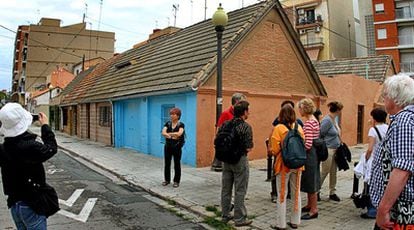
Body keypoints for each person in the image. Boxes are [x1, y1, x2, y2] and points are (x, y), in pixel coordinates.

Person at [0, 103, 58, 229]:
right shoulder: (29, 146)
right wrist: (45, 127)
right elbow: (51, 149)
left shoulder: (4, 148)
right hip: (31, 204)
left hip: (15, 204)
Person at [369, 74, 414, 230]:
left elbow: (402, 169)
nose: (383, 98)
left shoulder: (403, 121)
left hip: (401, 211)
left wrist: (383, 209)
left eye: (385, 95)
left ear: (396, 98)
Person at [270, 104, 305, 230]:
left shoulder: (278, 128)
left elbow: (274, 150)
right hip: (298, 164)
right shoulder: (299, 127)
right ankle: (295, 221)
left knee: (282, 194)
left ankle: (281, 224)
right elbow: (304, 145)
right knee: (296, 193)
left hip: (283, 165)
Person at [220, 101, 253, 227]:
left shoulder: (225, 124)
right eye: (248, 110)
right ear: (244, 112)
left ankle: (225, 214)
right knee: (240, 190)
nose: (249, 112)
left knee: (225, 188)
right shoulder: (246, 127)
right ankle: (239, 219)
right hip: (239, 160)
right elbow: (249, 147)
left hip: (225, 160)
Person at [267, 100, 302, 202]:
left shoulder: (280, 126)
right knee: (296, 193)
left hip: (283, 159)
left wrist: (272, 148)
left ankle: (281, 195)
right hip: (297, 159)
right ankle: (276, 193)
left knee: (281, 190)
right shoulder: (298, 125)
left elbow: (274, 144)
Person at [359, 108, 388, 220]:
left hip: (375, 159)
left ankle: (372, 210)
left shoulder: (373, 130)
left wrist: (366, 159)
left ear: (374, 118)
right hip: (385, 160)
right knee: (382, 184)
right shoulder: (388, 127)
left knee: (371, 184)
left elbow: (370, 148)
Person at [212, 93, 247, 171]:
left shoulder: (241, 114)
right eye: (243, 102)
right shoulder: (226, 113)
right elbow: (219, 129)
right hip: (228, 148)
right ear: (237, 102)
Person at [298, 98, 320, 220]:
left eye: (300, 108)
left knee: (311, 181)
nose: (299, 111)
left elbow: (308, 144)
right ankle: (310, 204)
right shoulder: (314, 120)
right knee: (311, 179)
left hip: (310, 155)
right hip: (315, 154)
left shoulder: (308, 123)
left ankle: (314, 209)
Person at [319, 101, 343, 202]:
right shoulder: (327, 120)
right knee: (324, 171)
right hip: (328, 149)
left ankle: (332, 192)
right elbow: (321, 133)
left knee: (333, 172)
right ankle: (316, 191)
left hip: (336, 149)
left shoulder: (334, 119)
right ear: (337, 110)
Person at [161, 107, 185, 188]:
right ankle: (167, 180)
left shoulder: (181, 124)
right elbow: (163, 132)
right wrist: (172, 136)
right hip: (167, 146)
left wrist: (169, 134)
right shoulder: (167, 123)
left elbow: (179, 134)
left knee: (177, 164)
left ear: (178, 115)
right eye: (171, 114)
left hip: (177, 147)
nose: (171, 116)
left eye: (174, 114)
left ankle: (176, 181)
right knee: (167, 164)